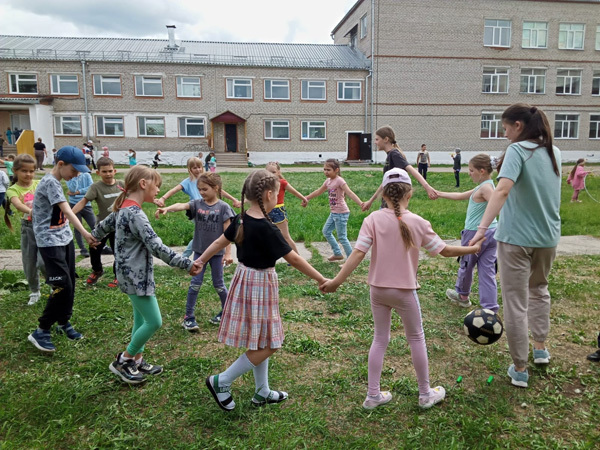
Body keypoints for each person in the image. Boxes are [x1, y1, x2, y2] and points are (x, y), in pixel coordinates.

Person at [320, 168, 482, 410]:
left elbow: (357, 254)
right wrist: (473, 249)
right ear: (410, 193)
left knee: (380, 338)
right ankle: (425, 394)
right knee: (416, 337)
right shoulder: (419, 222)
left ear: (383, 194)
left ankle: (372, 395)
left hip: (378, 290)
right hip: (405, 292)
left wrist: (336, 281)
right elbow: (445, 251)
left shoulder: (372, 220)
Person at [199, 169, 327, 411]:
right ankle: (221, 381)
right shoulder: (267, 227)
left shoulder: (241, 219)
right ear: (269, 194)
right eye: (277, 194)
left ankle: (262, 391)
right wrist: (321, 278)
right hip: (259, 284)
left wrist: (200, 260)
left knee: (261, 339)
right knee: (271, 343)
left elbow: (219, 242)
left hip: (244, 279)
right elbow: (294, 259)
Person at [469, 104, 561, 389]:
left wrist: (481, 230)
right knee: (539, 290)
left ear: (518, 126)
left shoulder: (517, 151)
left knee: (515, 302)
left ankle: (520, 368)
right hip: (548, 238)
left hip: (516, 240)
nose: (504, 133)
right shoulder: (554, 151)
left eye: (506, 128)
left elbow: (502, 190)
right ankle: (541, 349)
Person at [92, 165, 201, 384]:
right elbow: (156, 246)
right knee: (154, 321)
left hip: (130, 274)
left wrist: (94, 236)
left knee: (140, 319)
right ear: (143, 184)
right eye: (156, 185)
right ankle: (124, 359)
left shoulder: (123, 207)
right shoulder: (135, 215)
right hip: (135, 276)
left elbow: (103, 226)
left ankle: (137, 360)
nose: (158, 190)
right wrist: (185, 263)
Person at [28, 146, 97, 353]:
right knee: (62, 285)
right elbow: (67, 211)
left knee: (70, 283)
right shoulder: (50, 182)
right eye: (73, 170)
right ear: (60, 164)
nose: (75, 175)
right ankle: (41, 330)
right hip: (50, 243)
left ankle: (63, 322)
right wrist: (85, 233)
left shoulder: (57, 182)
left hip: (64, 239)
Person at [156, 172, 235, 328]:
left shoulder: (224, 207)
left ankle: (227, 313)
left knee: (219, 284)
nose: (201, 192)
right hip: (199, 252)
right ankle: (189, 317)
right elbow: (181, 205)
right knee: (195, 284)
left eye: (205, 189)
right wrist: (167, 209)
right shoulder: (197, 204)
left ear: (216, 188)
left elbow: (228, 234)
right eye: (199, 189)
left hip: (217, 254)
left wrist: (228, 253)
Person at [435, 154, 499, 312]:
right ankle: (490, 308)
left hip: (475, 233)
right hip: (492, 232)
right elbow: (460, 196)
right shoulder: (486, 185)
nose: (469, 173)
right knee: (487, 270)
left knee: (466, 264)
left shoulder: (485, 188)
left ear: (482, 171)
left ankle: (462, 296)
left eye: (471, 170)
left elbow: (497, 204)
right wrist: (439, 193)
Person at [154, 157, 240, 258]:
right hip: (198, 211)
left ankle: (214, 254)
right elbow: (174, 191)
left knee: (211, 232)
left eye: (199, 167)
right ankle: (186, 256)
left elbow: (220, 190)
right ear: (189, 169)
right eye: (194, 168)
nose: (198, 170)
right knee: (202, 234)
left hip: (213, 209)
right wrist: (163, 199)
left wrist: (233, 199)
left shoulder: (207, 180)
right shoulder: (187, 182)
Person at [72, 157, 124, 288]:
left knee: (118, 251)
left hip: (119, 226)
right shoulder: (96, 187)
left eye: (110, 171)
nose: (108, 174)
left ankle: (118, 276)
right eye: (104, 171)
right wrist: (69, 214)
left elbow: (136, 196)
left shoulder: (122, 185)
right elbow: (83, 202)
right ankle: (97, 270)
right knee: (94, 248)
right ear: (98, 173)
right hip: (102, 226)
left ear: (115, 171)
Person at [362, 126, 437, 212]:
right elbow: (385, 182)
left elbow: (410, 169)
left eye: (377, 139)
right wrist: (370, 201)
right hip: (387, 204)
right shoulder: (390, 155)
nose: (375, 142)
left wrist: (427, 187)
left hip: (393, 206)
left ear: (386, 139)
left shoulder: (394, 154)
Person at [304, 159, 363, 262]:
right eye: (324, 169)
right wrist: (306, 198)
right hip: (334, 213)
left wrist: (361, 203)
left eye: (328, 170)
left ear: (336, 170)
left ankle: (351, 261)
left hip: (341, 213)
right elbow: (318, 191)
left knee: (342, 237)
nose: (326, 172)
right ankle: (337, 253)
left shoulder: (340, 181)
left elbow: (349, 193)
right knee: (326, 231)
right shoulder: (328, 181)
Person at [4, 154, 44, 305]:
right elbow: (18, 204)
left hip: (44, 227)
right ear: (15, 171)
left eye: (31, 171)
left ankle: (54, 284)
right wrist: (31, 211)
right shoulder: (13, 189)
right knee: (29, 262)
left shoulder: (39, 184)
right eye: (24, 171)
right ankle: (35, 291)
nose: (28, 174)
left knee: (45, 261)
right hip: (28, 228)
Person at [265, 161, 308, 254]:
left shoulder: (282, 183)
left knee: (285, 236)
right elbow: (256, 195)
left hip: (279, 211)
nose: (271, 175)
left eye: (273, 172)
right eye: (268, 172)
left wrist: (304, 199)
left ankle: (297, 256)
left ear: (278, 172)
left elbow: (294, 192)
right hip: (267, 211)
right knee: (267, 235)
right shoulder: (264, 184)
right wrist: (242, 202)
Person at [66, 171, 95, 257]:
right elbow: (72, 189)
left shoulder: (86, 175)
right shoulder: (69, 176)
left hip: (86, 204)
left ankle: (100, 244)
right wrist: (75, 177)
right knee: (78, 227)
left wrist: (78, 192)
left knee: (94, 224)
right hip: (74, 204)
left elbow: (91, 188)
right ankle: (82, 248)